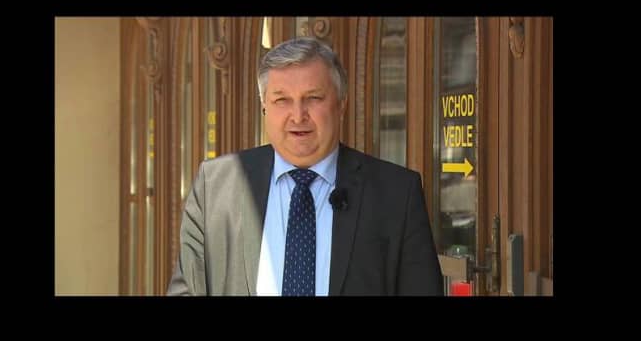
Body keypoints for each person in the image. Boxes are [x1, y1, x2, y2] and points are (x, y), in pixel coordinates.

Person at [167, 37, 442, 296]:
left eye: (313, 98)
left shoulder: (397, 194)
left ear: (341, 104)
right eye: (282, 100)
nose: (298, 116)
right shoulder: (215, 186)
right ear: (264, 107)